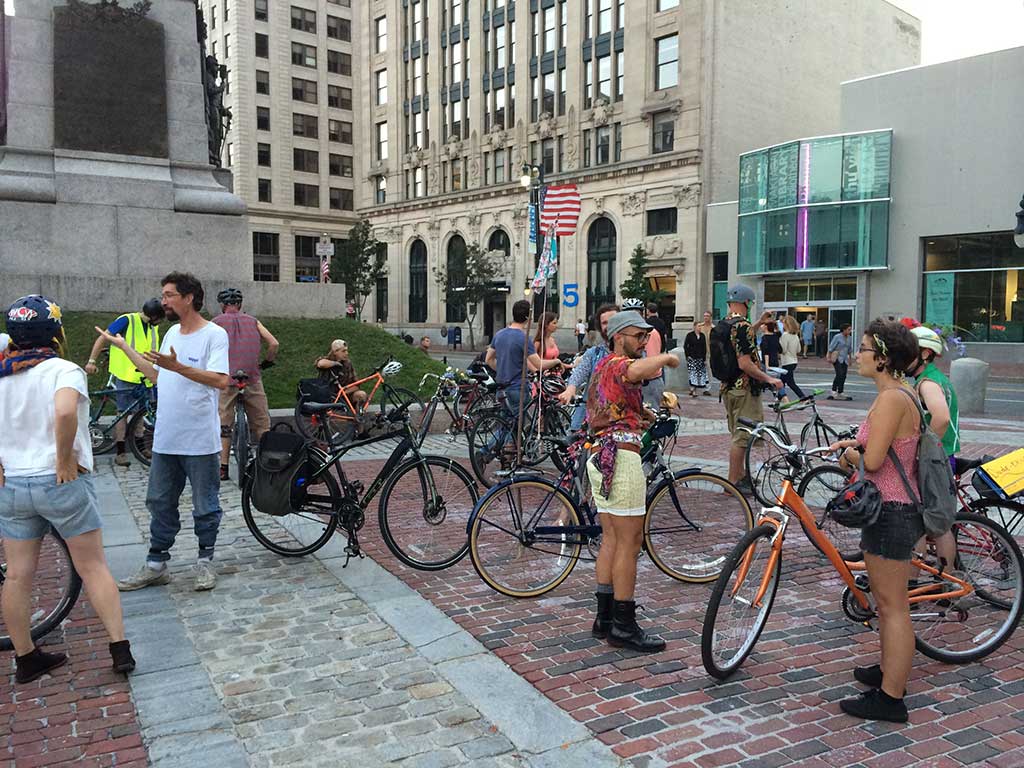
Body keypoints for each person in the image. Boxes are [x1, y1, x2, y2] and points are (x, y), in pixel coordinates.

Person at [1, 295, 135, 683]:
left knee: (18, 575)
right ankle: (118, 649)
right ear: (55, 332)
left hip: (12, 482)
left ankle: (26, 657)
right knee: (93, 565)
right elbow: (63, 410)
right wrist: (62, 458)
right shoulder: (63, 370)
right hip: (60, 480)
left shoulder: (3, 370)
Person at [98, 273, 230, 593]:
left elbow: (220, 380)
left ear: (189, 297)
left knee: (205, 505)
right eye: (163, 295)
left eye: (169, 295)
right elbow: (159, 377)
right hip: (167, 438)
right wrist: (124, 347)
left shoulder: (215, 334)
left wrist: (178, 368)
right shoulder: (170, 331)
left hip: (200, 439)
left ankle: (205, 562)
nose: (163, 301)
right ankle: (157, 564)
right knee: (159, 500)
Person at [828, 320, 924, 722]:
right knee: (888, 606)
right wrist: (857, 445)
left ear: (882, 357)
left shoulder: (891, 399)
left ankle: (891, 698)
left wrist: (848, 456)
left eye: (865, 348)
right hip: (893, 508)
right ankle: (888, 672)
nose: (858, 354)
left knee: (892, 605)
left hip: (891, 510)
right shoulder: (900, 393)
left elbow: (873, 461)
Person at [587, 310, 681, 653]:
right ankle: (624, 626)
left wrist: (646, 414)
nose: (643, 342)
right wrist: (667, 357)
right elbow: (633, 370)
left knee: (611, 538)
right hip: (620, 458)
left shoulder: (602, 366)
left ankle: (604, 618)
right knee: (630, 541)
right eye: (638, 336)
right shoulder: (616, 363)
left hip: (599, 455)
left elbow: (617, 402)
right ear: (617, 335)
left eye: (646, 337)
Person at [85, 299, 165, 467]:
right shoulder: (127, 320)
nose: (161, 322)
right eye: (160, 318)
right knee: (123, 413)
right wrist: (92, 361)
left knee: (142, 412)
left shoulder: (152, 327)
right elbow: (103, 338)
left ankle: (141, 445)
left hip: (145, 376)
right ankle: (120, 451)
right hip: (126, 375)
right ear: (153, 316)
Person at [718, 286, 782, 492]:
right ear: (747, 302)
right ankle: (733, 482)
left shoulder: (726, 323)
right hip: (744, 388)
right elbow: (745, 362)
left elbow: (740, 340)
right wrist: (769, 379)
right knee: (742, 437)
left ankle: (743, 476)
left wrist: (760, 323)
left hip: (728, 387)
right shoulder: (742, 325)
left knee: (739, 433)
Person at [907, 323, 960, 572]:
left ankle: (938, 582)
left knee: (930, 524)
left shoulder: (927, 382)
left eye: (910, 350)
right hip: (945, 455)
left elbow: (941, 418)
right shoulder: (937, 378)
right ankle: (943, 581)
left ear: (925, 354)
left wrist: (924, 451)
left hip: (936, 460)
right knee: (938, 524)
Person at [211, 288, 278, 481]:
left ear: (222, 305)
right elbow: (273, 344)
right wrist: (267, 362)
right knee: (262, 423)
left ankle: (223, 468)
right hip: (251, 377)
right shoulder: (253, 321)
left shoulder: (215, 323)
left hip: (226, 378)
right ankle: (268, 464)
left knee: (224, 423)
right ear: (240, 305)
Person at [483, 300, 561, 455]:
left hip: (501, 386)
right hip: (518, 386)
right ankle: (499, 454)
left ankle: (495, 455)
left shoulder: (499, 334)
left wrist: (503, 368)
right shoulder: (522, 338)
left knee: (507, 423)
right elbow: (537, 363)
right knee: (515, 426)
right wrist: (556, 361)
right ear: (528, 316)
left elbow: (488, 359)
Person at [557, 304, 620, 431]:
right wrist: (570, 389)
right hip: (591, 414)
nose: (609, 326)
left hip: (620, 419)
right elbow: (579, 373)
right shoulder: (594, 353)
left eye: (613, 321)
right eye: (604, 323)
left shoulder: (634, 353)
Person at [316, 339, 368, 408]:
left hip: (345, 395)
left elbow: (356, 385)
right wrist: (336, 364)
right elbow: (320, 364)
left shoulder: (348, 363)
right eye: (343, 351)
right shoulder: (327, 360)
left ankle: (357, 416)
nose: (346, 353)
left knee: (362, 395)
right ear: (335, 352)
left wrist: (343, 392)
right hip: (328, 396)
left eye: (346, 350)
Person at [779, 315, 806, 399]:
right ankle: (779, 398)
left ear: (786, 324)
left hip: (786, 361)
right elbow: (798, 350)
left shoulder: (785, 335)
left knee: (790, 382)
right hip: (794, 361)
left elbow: (783, 350)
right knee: (781, 382)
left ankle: (802, 396)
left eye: (783, 323)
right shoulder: (795, 336)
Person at [827, 323, 855, 400]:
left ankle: (840, 391)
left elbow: (849, 349)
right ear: (844, 330)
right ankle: (833, 390)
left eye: (850, 329)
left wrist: (850, 359)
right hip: (837, 358)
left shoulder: (849, 338)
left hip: (844, 359)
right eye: (849, 329)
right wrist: (829, 357)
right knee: (839, 374)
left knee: (844, 375)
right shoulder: (837, 337)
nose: (850, 331)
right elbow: (831, 347)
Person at [683, 320, 709, 397]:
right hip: (692, 357)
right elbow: (685, 346)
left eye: (701, 326)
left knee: (699, 374)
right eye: (698, 326)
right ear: (694, 327)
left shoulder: (702, 336)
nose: (700, 328)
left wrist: (704, 359)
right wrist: (687, 355)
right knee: (692, 374)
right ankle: (693, 390)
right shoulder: (690, 335)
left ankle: (694, 389)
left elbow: (704, 347)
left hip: (700, 358)